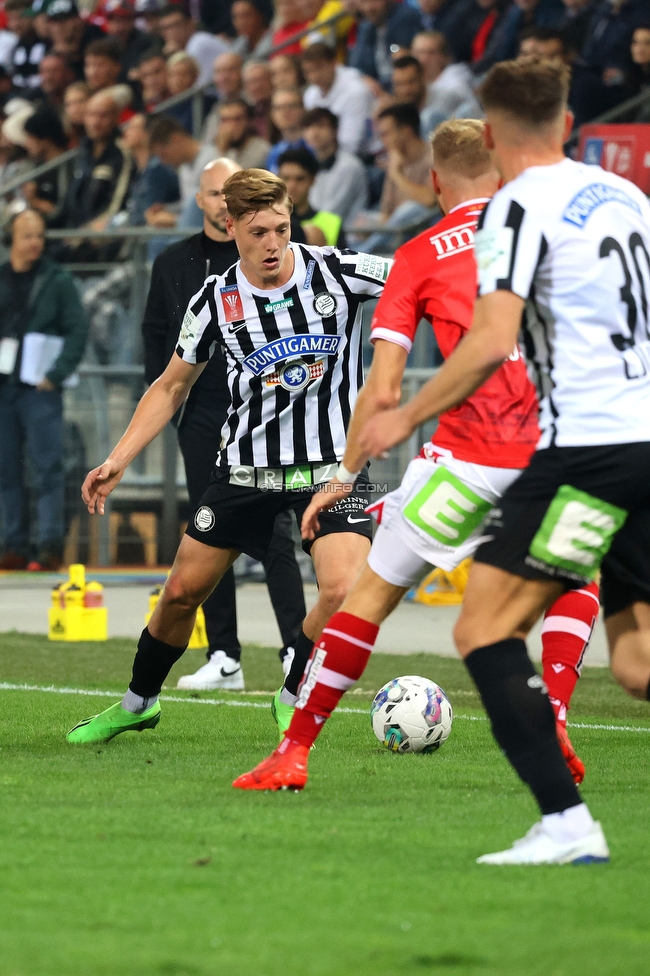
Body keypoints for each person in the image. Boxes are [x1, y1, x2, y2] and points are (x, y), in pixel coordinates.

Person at [284, 58, 650, 865]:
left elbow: (490, 340)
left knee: (480, 627)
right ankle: (560, 785)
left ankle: (566, 823)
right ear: (567, 119)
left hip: (574, 451)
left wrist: (403, 418)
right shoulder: (625, 196)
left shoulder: (518, 208)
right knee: (633, 662)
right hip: (637, 444)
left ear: (490, 132)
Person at [235, 116, 597, 787]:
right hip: (557, 453)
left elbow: (384, 386)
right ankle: (557, 712)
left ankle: (294, 751)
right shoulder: (558, 233)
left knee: (370, 596)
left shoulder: (422, 254)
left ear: (434, 180)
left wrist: (343, 474)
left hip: (466, 458)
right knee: (576, 581)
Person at [66, 167, 390, 744]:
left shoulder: (338, 271)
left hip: (333, 471)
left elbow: (422, 280)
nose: (273, 243)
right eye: (259, 231)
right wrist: (118, 457)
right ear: (230, 225)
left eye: (282, 228)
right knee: (181, 593)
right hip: (246, 469)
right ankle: (138, 701)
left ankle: (294, 689)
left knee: (342, 589)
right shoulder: (215, 300)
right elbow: (170, 387)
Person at [140, 158, 306, 690]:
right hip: (203, 414)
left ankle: (291, 650)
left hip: (268, 414)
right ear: (207, 203)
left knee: (279, 534)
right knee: (209, 539)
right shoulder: (176, 263)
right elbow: (157, 344)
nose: (218, 202)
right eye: (211, 193)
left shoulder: (287, 260)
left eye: (277, 227)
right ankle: (223, 654)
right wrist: (168, 418)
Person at [0, 209, 88, 571]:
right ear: (12, 240)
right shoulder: (2, 277)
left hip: (41, 388)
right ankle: (14, 544)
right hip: (4, 388)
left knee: (48, 467)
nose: (35, 242)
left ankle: (49, 544)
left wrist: (56, 373)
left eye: (39, 235)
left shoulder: (58, 279)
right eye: (27, 236)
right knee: (6, 470)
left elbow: (77, 330)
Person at [55, 91, 135, 258]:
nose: (96, 122)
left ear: (116, 118)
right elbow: (67, 200)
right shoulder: (80, 153)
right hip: (70, 235)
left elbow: (116, 205)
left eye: (103, 116)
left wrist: (85, 233)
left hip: (99, 241)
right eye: (91, 115)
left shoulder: (122, 154)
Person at [301, 42, 375, 157]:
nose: (314, 76)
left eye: (319, 68)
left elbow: (351, 145)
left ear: (333, 63)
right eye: (308, 71)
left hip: (367, 156)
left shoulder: (355, 91)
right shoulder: (310, 95)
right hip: (327, 155)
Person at [145, 113, 216, 228]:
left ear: (176, 139)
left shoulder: (213, 160)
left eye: (164, 154)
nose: (164, 162)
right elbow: (186, 204)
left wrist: (175, 220)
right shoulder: (184, 169)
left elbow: (212, 207)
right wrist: (166, 209)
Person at [303, 107, 368, 220]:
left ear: (335, 130)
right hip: (313, 229)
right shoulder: (308, 165)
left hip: (346, 234)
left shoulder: (349, 166)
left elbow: (333, 211)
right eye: (309, 127)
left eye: (321, 126)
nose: (314, 132)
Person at [120, 111, 179, 225]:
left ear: (147, 133)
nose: (126, 132)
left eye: (133, 128)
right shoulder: (138, 170)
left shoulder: (158, 169)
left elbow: (150, 214)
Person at [278, 146, 345, 246]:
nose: (292, 186)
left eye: (300, 179)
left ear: (313, 180)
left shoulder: (332, 223)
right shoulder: (271, 222)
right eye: (286, 178)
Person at [349, 0, 423, 89]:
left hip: (402, 86)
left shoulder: (405, 18)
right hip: (378, 89)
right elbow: (358, 66)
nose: (369, 8)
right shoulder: (366, 27)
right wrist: (366, 79)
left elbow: (402, 59)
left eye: (374, 1)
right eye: (364, 2)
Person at [411, 31, 482, 120]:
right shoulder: (418, 85)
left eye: (431, 53)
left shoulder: (455, 83)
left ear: (443, 56)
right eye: (419, 53)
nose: (423, 59)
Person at [157, 4, 230, 87]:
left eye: (175, 25)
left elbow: (196, 87)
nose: (172, 32)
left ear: (190, 24)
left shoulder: (198, 42)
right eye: (166, 28)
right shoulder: (185, 49)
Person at [21, 105, 71, 223]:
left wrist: (36, 202)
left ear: (46, 139)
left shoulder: (68, 165)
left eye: (30, 137)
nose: (27, 144)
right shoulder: (38, 167)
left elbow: (64, 210)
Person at [47, 0, 104, 81]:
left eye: (63, 21)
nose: (58, 27)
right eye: (54, 22)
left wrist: (73, 56)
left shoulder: (95, 38)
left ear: (78, 20)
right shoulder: (47, 44)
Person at [103, 0, 151, 82]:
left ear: (132, 21)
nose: (118, 26)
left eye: (122, 20)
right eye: (113, 20)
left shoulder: (145, 41)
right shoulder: (105, 45)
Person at [215, 98, 271, 169]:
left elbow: (237, 178)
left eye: (237, 119)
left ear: (249, 122)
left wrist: (223, 153)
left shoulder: (263, 151)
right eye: (225, 120)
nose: (232, 126)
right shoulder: (212, 151)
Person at [265, 87, 310, 174]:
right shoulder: (273, 152)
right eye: (278, 108)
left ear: (303, 109)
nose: (285, 112)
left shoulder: (315, 146)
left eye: (291, 106)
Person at [6, 0, 48, 91]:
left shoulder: (47, 43)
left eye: (20, 18)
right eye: (11, 19)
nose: (15, 24)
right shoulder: (15, 47)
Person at [242, 59, 273, 141]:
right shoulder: (244, 112)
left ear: (271, 80)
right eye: (252, 82)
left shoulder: (279, 107)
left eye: (261, 80)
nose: (257, 86)